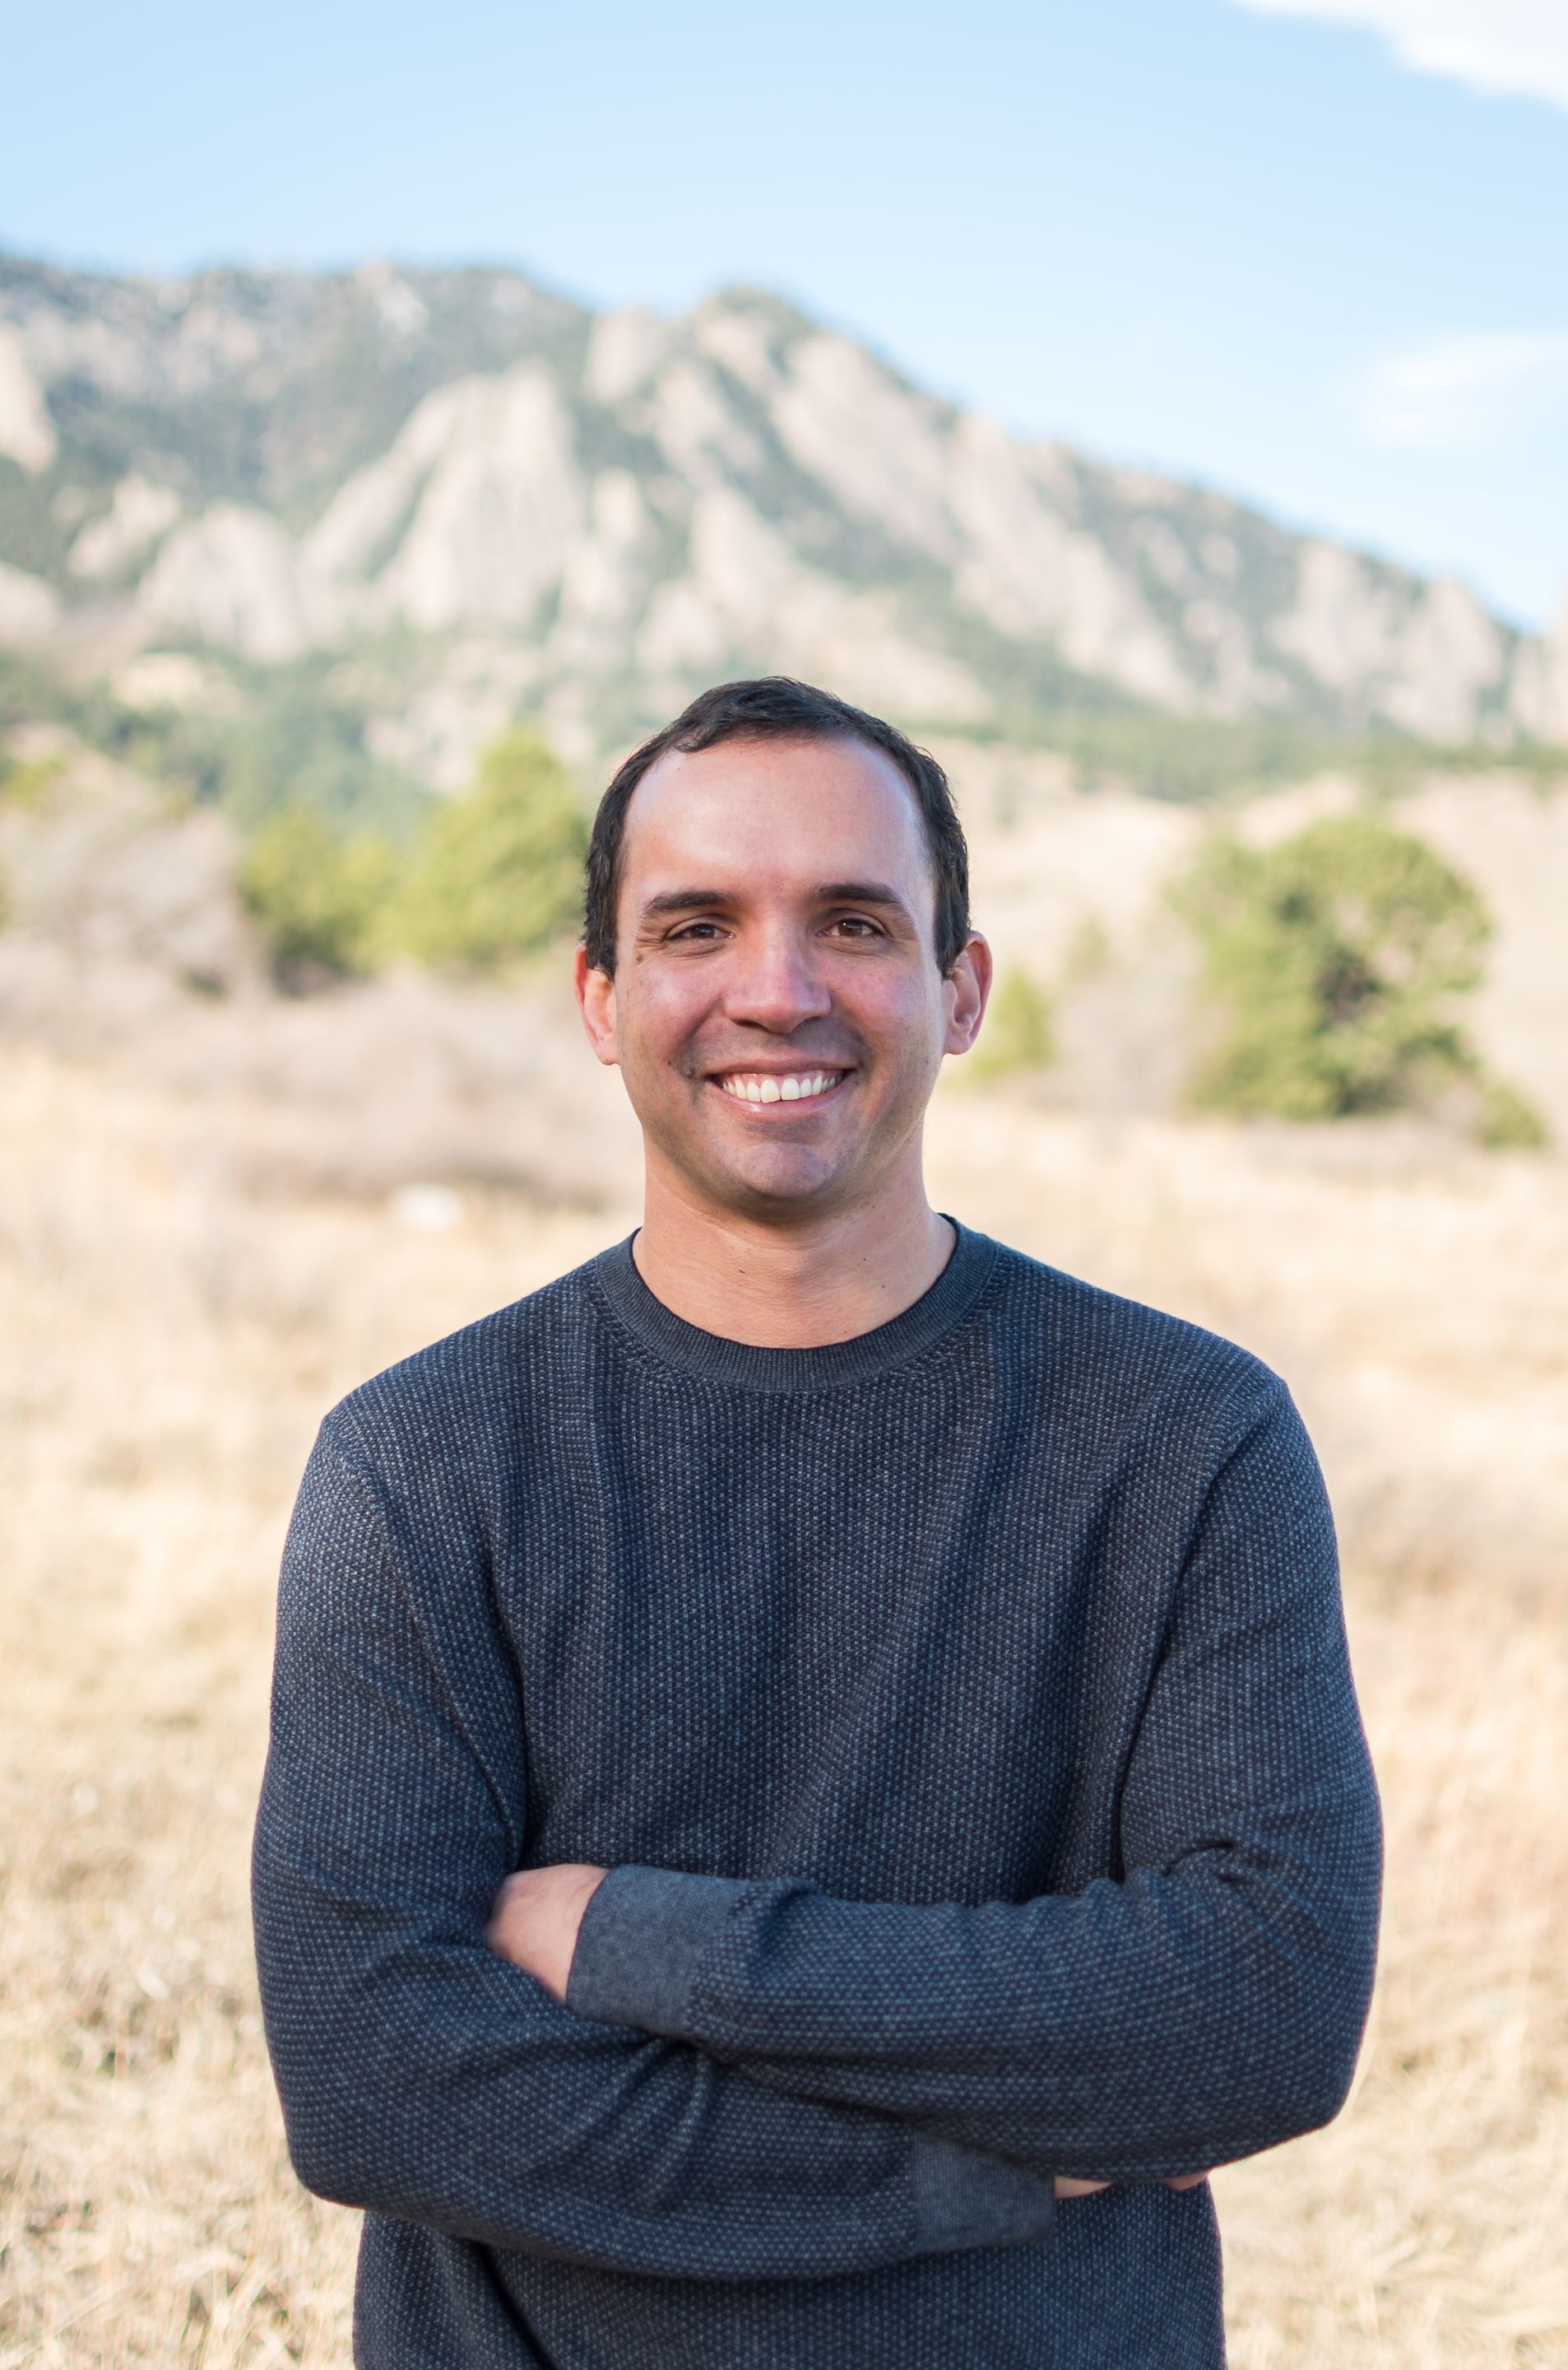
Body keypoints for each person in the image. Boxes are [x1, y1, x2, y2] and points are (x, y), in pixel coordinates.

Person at [253, 676, 1382, 2369]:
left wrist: (636, 1937)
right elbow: (375, 2083)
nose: (776, 992)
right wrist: (984, 2162)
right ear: (600, 996)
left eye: (853, 922)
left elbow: (1262, 2013)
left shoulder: (1187, 1442)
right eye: (696, 925)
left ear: (963, 987)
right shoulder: (420, 1465)